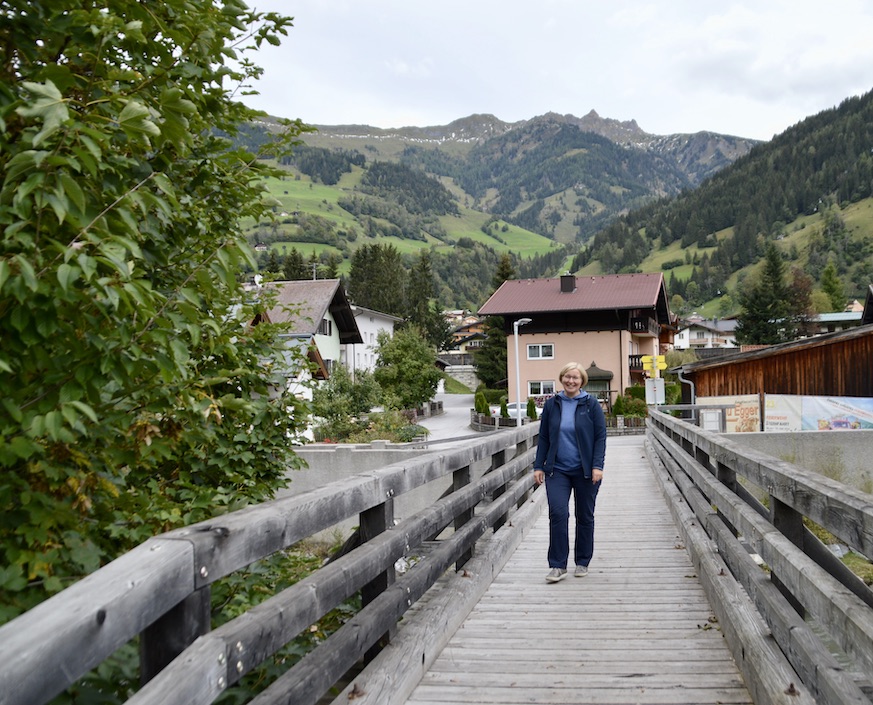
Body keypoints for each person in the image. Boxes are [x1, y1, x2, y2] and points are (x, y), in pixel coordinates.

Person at [533, 361, 607, 583]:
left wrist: (597, 466)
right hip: (557, 469)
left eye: (575, 377)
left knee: (584, 516)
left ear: (582, 381)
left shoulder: (591, 404)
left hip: (586, 471)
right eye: (567, 376)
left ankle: (582, 561)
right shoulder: (552, 404)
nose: (571, 381)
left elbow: (600, 437)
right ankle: (558, 565)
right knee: (558, 513)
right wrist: (538, 465)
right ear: (562, 378)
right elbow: (544, 436)